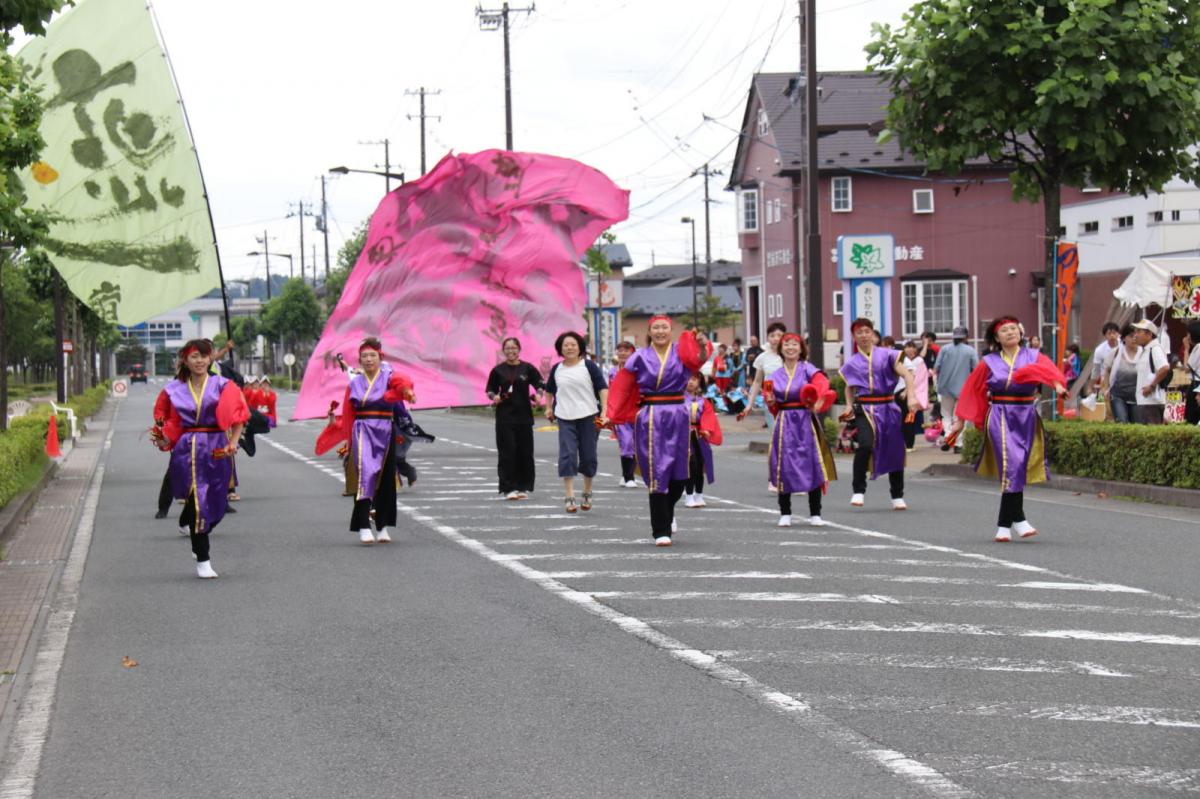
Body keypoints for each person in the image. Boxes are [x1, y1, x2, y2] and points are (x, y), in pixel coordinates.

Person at [949, 316, 1067, 542]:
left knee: (1019, 466)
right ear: (996, 337)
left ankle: (1006, 524)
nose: (1010, 332)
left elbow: (1050, 374)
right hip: (1000, 415)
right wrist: (960, 421)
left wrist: (1059, 386)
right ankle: (1018, 520)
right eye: (1004, 330)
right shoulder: (989, 361)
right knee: (1012, 464)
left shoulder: (1034, 356)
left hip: (1026, 415)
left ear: (1020, 332)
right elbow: (971, 390)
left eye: (1014, 328)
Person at [604, 316, 711, 546]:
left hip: (678, 415)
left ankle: (667, 510)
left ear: (671, 330)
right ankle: (661, 530)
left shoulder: (682, 353)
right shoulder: (639, 356)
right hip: (650, 416)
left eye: (664, 327)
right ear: (649, 331)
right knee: (656, 472)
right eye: (656, 328)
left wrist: (701, 345)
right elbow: (623, 388)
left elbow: (699, 361)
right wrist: (611, 414)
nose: (660, 331)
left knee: (679, 474)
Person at [148, 339, 249, 578]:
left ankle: (195, 528)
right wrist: (162, 436)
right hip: (186, 449)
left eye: (204, 356)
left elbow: (239, 416)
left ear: (211, 358)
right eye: (194, 356)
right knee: (197, 503)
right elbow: (163, 417)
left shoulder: (224, 385)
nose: (200, 361)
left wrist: (233, 442)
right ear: (185, 360)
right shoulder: (173, 389)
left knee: (216, 502)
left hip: (216, 447)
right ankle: (203, 558)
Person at [317, 337, 415, 545]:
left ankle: (383, 526)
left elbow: (401, 387)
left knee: (387, 480)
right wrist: (346, 439)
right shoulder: (355, 383)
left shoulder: (389, 377)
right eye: (364, 356)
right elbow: (348, 412)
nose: (369, 359)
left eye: (372, 355)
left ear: (380, 357)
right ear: (359, 360)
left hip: (386, 431)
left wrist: (406, 393)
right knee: (365, 475)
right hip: (362, 431)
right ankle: (363, 525)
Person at [839, 318, 919, 510]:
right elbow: (849, 388)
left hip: (888, 406)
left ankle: (897, 495)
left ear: (873, 334)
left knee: (895, 448)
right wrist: (849, 405)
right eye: (859, 332)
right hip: (865, 409)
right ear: (854, 336)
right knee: (865, 444)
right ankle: (858, 490)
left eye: (867, 331)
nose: (864, 335)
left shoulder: (888, 355)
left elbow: (907, 374)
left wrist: (911, 397)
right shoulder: (852, 363)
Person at [765, 332, 838, 527]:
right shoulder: (774, 375)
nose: (790, 348)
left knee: (812, 463)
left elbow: (822, 383)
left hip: (805, 421)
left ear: (801, 349)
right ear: (780, 349)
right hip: (785, 421)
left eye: (794, 344)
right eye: (786, 344)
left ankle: (815, 512)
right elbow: (770, 400)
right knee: (784, 465)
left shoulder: (808, 369)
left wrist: (819, 399)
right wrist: (770, 401)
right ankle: (785, 512)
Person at [544, 331, 608, 513]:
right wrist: (548, 408)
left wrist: (604, 411)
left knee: (588, 456)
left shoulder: (589, 366)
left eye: (573, 344)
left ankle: (587, 491)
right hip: (565, 417)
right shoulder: (557, 369)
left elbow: (603, 388)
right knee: (567, 455)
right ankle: (569, 496)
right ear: (560, 349)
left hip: (589, 416)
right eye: (566, 345)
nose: (570, 347)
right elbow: (549, 390)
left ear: (580, 347)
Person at [485, 337, 545, 499]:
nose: (511, 351)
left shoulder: (527, 368)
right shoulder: (498, 370)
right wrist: (494, 397)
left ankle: (522, 487)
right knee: (507, 452)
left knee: (525, 452)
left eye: (514, 348)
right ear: (503, 351)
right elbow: (489, 389)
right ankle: (508, 488)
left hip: (524, 416)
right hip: (505, 417)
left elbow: (540, 384)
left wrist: (538, 396)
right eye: (508, 348)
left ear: (519, 349)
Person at [932, 326, 979, 447]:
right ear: (966, 337)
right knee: (960, 417)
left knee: (946, 414)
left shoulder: (945, 349)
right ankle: (958, 443)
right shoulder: (970, 350)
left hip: (945, 387)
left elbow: (936, 367)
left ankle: (948, 436)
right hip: (963, 388)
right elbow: (976, 368)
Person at [683, 374, 723, 508]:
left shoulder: (704, 401)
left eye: (694, 379)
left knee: (701, 465)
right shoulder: (678, 398)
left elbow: (708, 416)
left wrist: (706, 429)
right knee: (690, 465)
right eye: (689, 378)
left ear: (700, 383)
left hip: (699, 435)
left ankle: (699, 494)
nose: (690, 382)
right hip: (683, 435)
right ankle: (688, 496)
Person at [745, 322, 787, 437]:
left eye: (779, 335)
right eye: (772, 336)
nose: (775, 339)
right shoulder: (763, 358)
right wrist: (749, 404)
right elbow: (757, 382)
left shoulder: (790, 356)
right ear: (768, 338)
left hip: (788, 401)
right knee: (775, 435)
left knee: (788, 436)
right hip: (770, 400)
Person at [606, 341, 639, 487]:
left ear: (633, 352)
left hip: (637, 411)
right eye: (620, 350)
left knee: (638, 444)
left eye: (626, 350)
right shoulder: (613, 372)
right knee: (626, 442)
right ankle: (628, 477)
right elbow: (609, 392)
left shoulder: (638, 370)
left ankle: (628, 474)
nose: (622, 353)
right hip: (620, 413)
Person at [1131, 319, 1170, 424]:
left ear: (1149, 334)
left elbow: (1164, 368)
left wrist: (1151, 386)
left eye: (1139, 331)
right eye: (1135, 331)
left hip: (1151, 402)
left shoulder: (1155, 349)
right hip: (1145, 402)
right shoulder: (1146, 350)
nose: (1135, 335)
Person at [1100, 324, 1141, 423]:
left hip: (1137, 396)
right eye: (1131, 336)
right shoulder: (1116, 353)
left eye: (1136, 336)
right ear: (1123, 338)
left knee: (1136, 425)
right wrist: (1106, 389)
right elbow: (1107, 370)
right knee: (1122, 421)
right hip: (1118, 395)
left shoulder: (1144, 353)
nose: (1134, 339)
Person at [897, 340, 930, 451]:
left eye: (911, 347)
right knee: (903, 420)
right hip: (902, 393)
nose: (909, 349)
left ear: (915, 349)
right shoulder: (901, 360)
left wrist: (907, 391)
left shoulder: (918, 361)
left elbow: (915, 378)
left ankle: (909, 444)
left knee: (908, 420)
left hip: (910, 394)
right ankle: (904, 443)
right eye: (907, 347)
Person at [1090, 322, 1121, 394]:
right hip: (1106, 380)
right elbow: (1096, 369)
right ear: (1105, 336)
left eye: (1114, 333)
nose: (1112, 336)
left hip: (1121, 379)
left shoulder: (1123, 345)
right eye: (1109, 333)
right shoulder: (1099, 350)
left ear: (1118, 334)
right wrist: (1091, 386)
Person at [1183, 321, 1200, 425]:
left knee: (1191, 417)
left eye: (1188, 334)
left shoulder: (1198, 347)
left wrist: (1186, 349)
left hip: (1196, 385)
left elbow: (1187, 368)